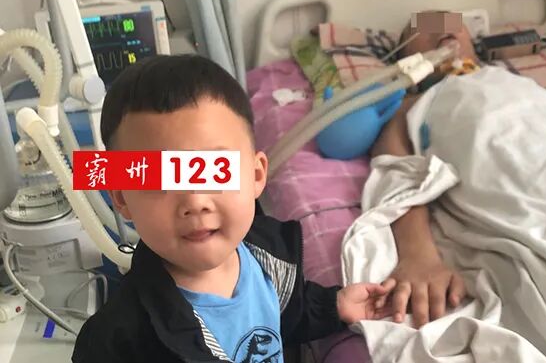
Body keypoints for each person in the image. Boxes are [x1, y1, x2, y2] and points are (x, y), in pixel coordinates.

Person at [72, 55, 396, 363]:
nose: (196, 201)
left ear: (255, 176)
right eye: (160, 179)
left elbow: (287, 312)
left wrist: (333, 305)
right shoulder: (118, 340)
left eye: (217, 172)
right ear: (122, 198)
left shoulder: (269, 259)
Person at [369, 22, 478, 328]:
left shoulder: (518, 84)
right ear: (407, 57)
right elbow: (396, 167)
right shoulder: (414, 103)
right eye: (427, 25)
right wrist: (418, 254)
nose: (444, 28)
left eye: (455, 22)